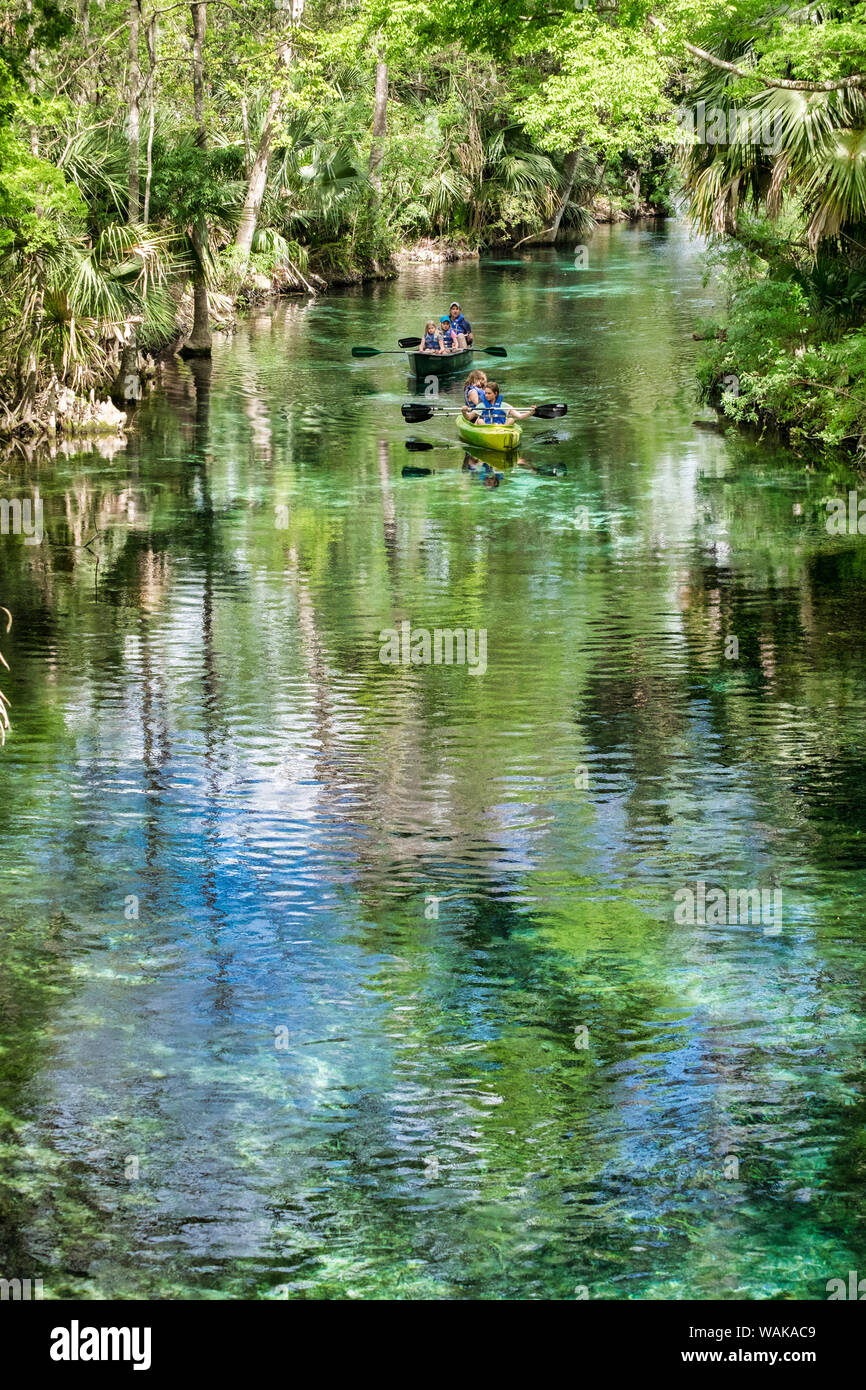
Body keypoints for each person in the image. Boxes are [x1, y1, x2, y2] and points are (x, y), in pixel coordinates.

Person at [463, 381, 536, 424]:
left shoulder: (504, 405)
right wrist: (464, 412)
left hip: (501, 429)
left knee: (511, 420)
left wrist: (530, 413)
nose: (486, 395)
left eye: (489, 393)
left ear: (495, 393)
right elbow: (469, 417)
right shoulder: (481, 405)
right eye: (485, 393)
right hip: (486, 429)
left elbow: (519, 416)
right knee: (480, 421)